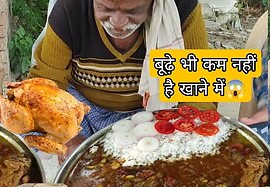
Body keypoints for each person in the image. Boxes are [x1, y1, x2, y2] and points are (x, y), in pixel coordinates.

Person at [30, 0, 216, 156]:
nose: (117, 22)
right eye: (105, 8)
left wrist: (186, 136)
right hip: (82, 110)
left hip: (148, 112)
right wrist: (68, 139)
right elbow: (44, 88)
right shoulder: (70, 8)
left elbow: (199, 91)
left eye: (133, 11)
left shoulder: (182, 7)